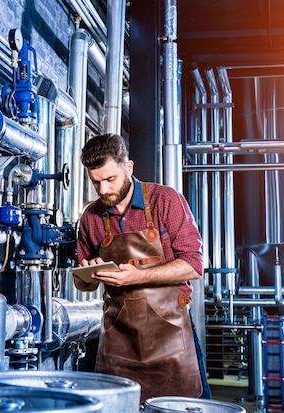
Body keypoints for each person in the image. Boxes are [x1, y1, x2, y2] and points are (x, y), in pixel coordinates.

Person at [74, 133, 212, 402]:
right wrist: (90, 273)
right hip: (118, 336)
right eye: (95, 182)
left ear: (128, 167)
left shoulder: (166, 201)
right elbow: (83, 284)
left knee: (188, 405)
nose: (103, 190)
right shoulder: (90, 217)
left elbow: (194, 265)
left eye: (110, 179)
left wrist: (139, 276)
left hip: (171, 334)